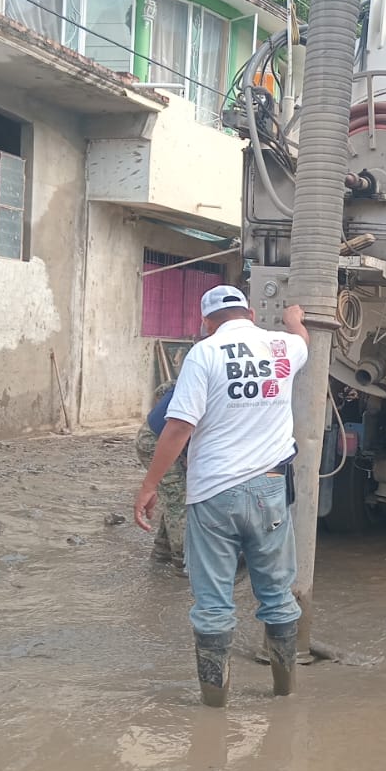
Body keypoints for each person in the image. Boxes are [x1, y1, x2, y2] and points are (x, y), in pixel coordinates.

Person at [134, 285, 309, 707]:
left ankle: (214, 707)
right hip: (269, 489)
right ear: (249, 313)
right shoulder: (283, 347)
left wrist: (149, 485)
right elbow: (303, 342)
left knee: (213, 602)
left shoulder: (204, 353)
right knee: (278, 594)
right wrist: (294, 320)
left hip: (213, 493)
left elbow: (177, 427)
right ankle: (284, 694)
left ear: (206, 322)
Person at [135, 381, 187, 569]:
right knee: (179, 498)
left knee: (178, 493)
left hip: (164, 435)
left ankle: (163, 550)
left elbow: (162, 389)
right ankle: (183, 561)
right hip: (157, 441)